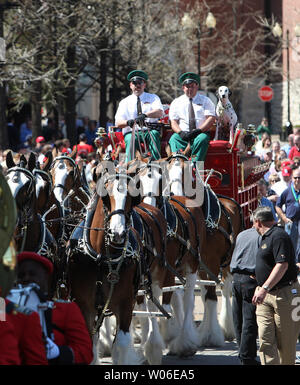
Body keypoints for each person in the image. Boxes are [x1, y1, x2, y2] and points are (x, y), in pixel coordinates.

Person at [16, 251, 93, 365]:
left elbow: (85, 353)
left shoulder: (66, 310)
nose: (26, 278)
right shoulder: (5, 308)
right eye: (21, 275)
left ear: (46, 279)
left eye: (32, 274)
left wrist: (58, 352)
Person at [252, 206, 300, 365]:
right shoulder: (265, 237)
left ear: (258, 222)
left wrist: (264, 287)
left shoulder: (279, 236)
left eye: (253, 223)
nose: (253, 227)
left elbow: (282, 265)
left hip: (285, 294)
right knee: (265, 340)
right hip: (264, 297)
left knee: (286, 342)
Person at [115, 69, 163, 161]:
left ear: (144, 85)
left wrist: (145, 115)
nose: (137, 85)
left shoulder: (153, 98)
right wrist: (128, 122)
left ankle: (156, 165)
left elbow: (159, 112)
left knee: (154, 134)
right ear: (130, 85)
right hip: (132, 132)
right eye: (134, 83)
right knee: (130, 138)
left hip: (149, 130)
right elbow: (118, 122)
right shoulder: (124, 102)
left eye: (140, 83)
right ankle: (129, 168)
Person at [230, 227, 261, 365]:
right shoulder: (261, 237)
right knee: (249, 320)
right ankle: (247, 357)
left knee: (239, 319)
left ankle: (243, 353)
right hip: (250, 278)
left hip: (236, 277)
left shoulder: (241, 234)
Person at [168, 72, 216, 162]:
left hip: (199, 133)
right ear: (183, 88)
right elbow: (173, 122)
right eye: (187, 86)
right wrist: (180, 133)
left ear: (197, 86)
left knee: (202, 139)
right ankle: (177, 164)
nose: (189, 89)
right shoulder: (176, 102)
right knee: (173, 138)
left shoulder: (206, 101)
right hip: (183, 135)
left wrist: (198, 131)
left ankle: (195, 166)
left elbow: (211, 118)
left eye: (192, 86)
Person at [276, 167, 300, 262]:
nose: (297, 180)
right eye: (295, 178)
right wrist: (284, 217)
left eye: (299, 177)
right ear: (291, 178)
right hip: (291, 222)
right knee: (290, 244)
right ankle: (292, 265)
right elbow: (278, 205)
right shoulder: (287, 191)